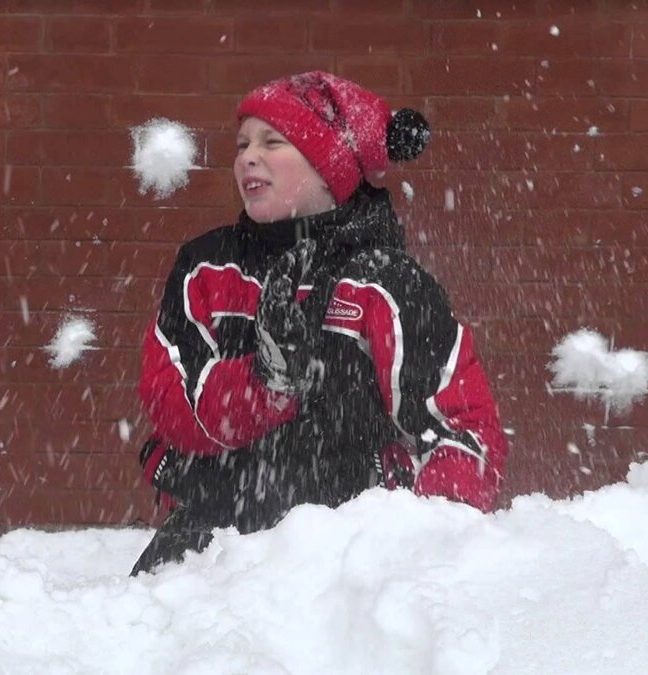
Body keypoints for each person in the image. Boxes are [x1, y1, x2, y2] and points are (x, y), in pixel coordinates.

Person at [130, 71, 509, 576]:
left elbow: (463, 433)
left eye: (273, 141)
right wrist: (265, 383)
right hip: (214, 539)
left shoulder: (384, 283)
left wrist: (416, 553)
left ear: (327, 165)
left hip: (343, 552)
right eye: (242, 143)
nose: (248, 156)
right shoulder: (205, 267)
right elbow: (173, 402)